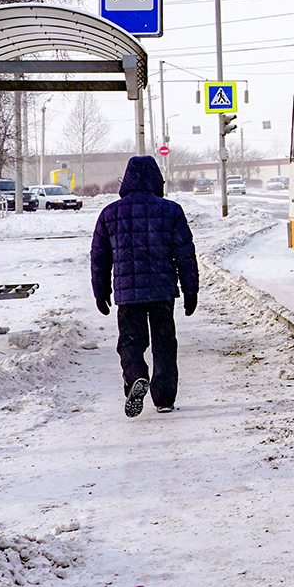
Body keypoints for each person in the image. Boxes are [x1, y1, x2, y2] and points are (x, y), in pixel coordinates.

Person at [90, 155, 198, 417]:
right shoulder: (171, 211)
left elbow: (100, 257)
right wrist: (190, 289)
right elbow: (185, 254)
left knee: (130, 341)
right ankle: (164, 399)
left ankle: (136, 376)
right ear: (156, 180)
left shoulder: (110, 214)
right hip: (162, 291)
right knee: (164, 343)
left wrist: (101, 291)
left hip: (128, 294)